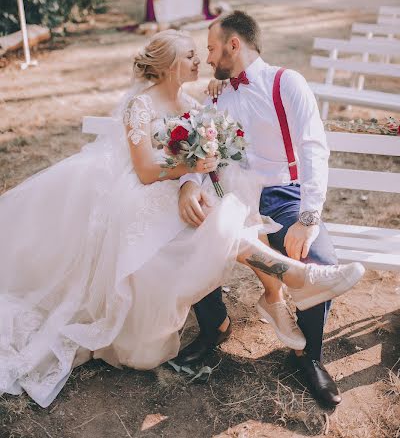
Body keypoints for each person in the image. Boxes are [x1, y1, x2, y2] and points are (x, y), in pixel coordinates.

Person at [0, 29, 363, 408]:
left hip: (177, 193)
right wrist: (190, 168)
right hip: (137, 196)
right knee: (213, 223)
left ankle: (279, 291)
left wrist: (198, 172)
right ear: (171, 64)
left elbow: (210, 153)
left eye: (202, 51)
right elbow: (143, 171)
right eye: (191, 54)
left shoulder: (194, 101)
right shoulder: (140, 105)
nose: (200, 61)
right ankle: (291, 282)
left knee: (222, 217)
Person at [177, 11, 347, 408]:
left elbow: (313, 148)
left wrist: (307, 218)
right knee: (189, 235)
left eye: (212, 48)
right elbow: (204, 156)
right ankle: (214, 327)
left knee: (319, 257)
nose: (208, 57)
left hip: (281, 193)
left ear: (234, 45)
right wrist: (189, 185)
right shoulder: (217, 95)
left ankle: (309, 357)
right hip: (230, 196)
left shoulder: (286, 83)